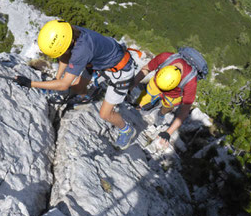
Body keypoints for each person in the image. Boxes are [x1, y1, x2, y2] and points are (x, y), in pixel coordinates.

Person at [15, 20, 137, 150]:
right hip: (101, 59)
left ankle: (127, 130)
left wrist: (31, 84)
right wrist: (57, 78)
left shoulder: (81, 50)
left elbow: (63, 85)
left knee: (105, 114)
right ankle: (87, 95)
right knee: (77, 87)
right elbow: (64, 56)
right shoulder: (69, 32)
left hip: (121, 71)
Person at [131, 51, 198, 149]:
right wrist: (131, 86)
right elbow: (146, 69)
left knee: (167, 106)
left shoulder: (190, 81)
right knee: (142, 101)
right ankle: (141, 106)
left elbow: (185, 110)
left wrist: (168, 133)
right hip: (156, 83)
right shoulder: (165, 58)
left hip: (173, 95)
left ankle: (161, 114)